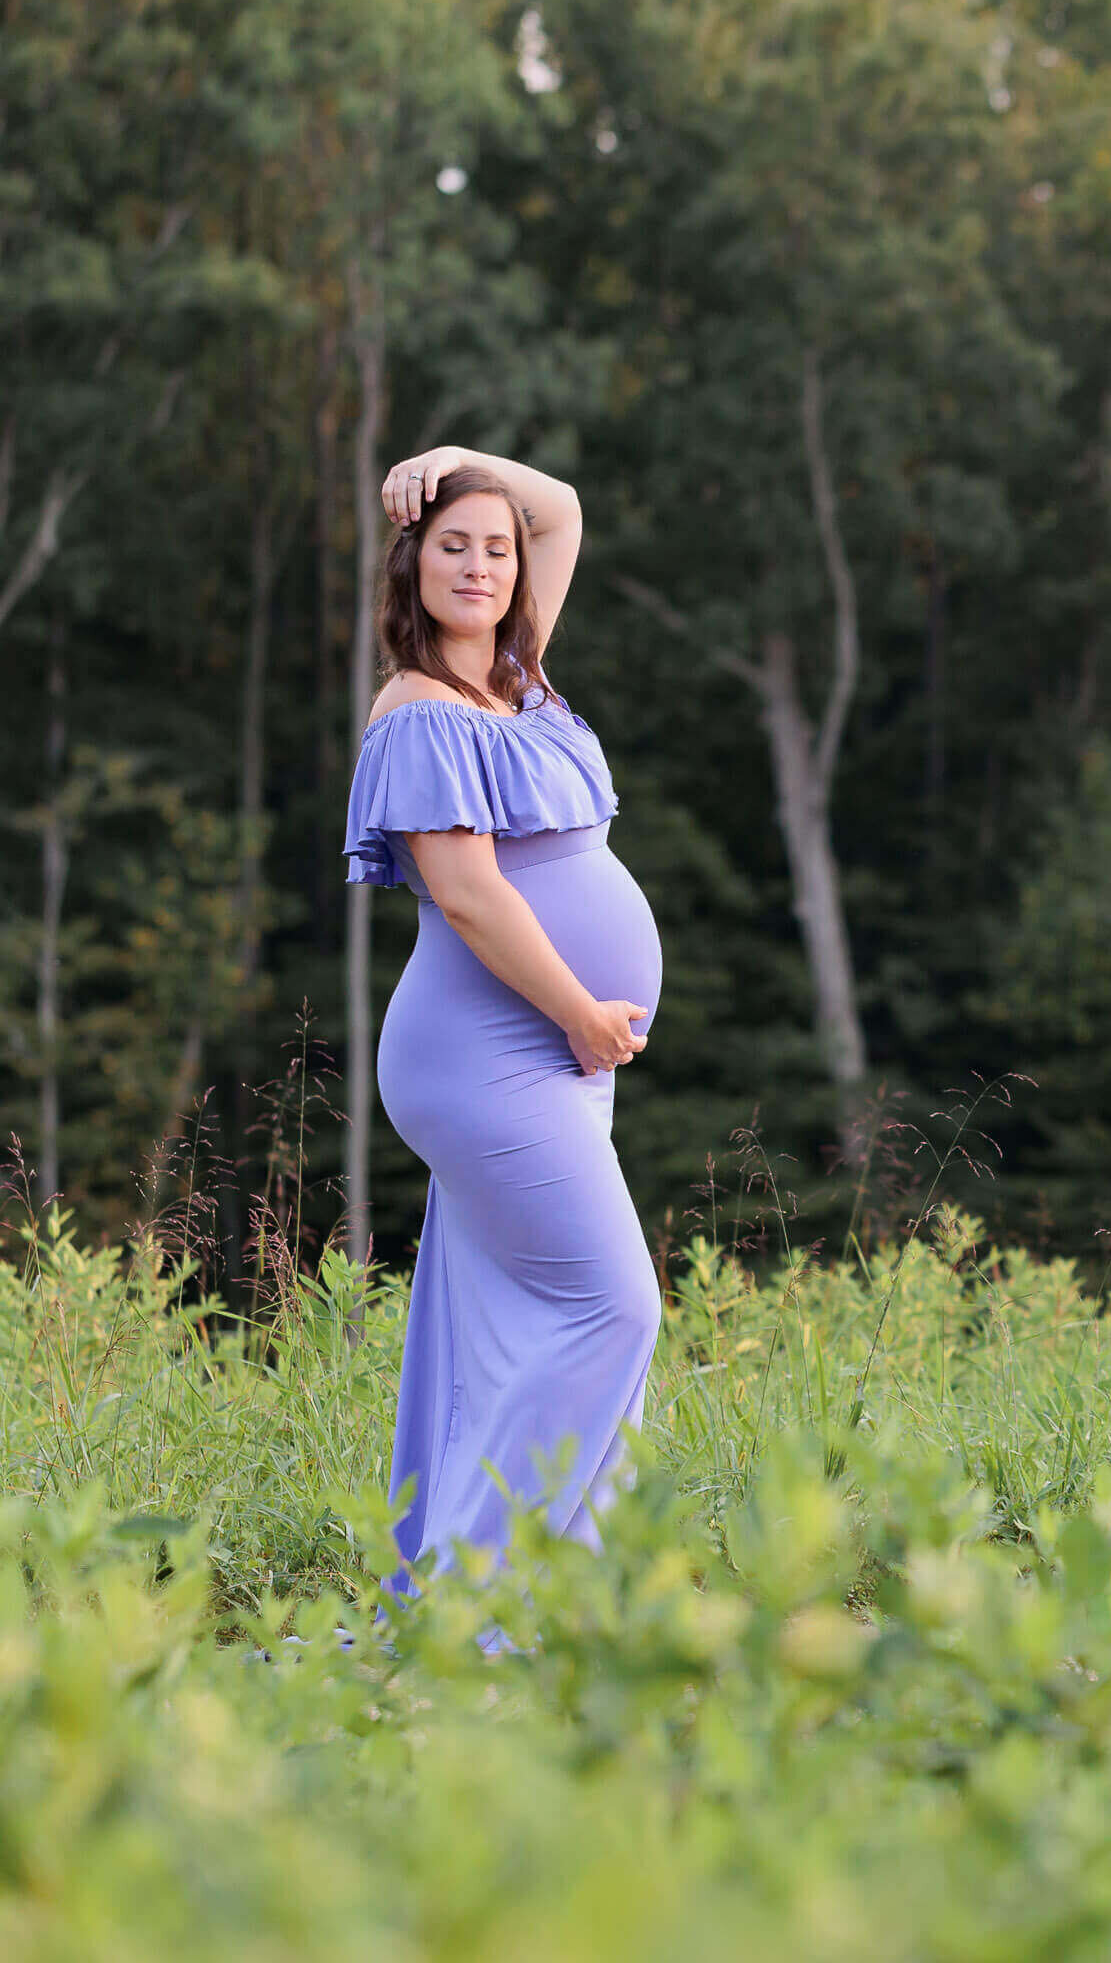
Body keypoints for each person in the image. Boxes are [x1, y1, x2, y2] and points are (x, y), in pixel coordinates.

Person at [343, 443, 664, 1656]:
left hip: (550, 1056)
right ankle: (469, 1609)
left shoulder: (521, 676)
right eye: (451, 543)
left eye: (495, 546)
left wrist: (463, 464)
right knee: (612, 1306)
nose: (480, 562)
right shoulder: (417, 711)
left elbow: (565, 505)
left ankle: (550, 1604)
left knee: (504, 1332)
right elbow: (470, 895)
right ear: (411, 566)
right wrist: (585, 1010)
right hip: (488, 1055)